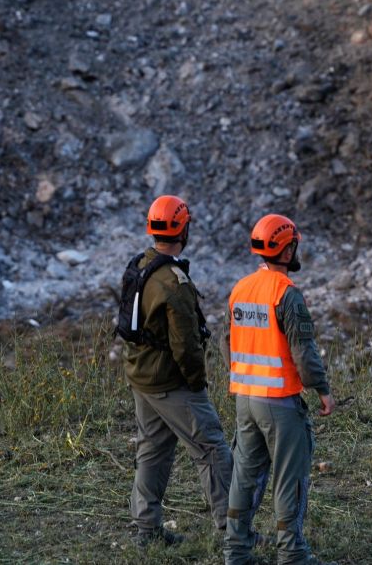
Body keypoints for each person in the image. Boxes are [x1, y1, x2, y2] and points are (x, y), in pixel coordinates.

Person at [225, 214, 336, 565]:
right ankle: (292, 554)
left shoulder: (240, 289)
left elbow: (232, 342)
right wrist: (322, 388)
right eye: (294, 244)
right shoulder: (287, 295)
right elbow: (304, 353)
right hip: (279, 405)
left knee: (245, 475)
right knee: (290, 478)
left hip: (245, 399)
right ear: (287, 250)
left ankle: (236, 551)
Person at [123, 195, 232, 547]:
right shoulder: (174, 281)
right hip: (170, 382)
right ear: (183, 229)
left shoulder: (141, 264)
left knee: (152, 450)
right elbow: (186, 345)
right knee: (212, 448)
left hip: (142, 376)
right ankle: (235, 533)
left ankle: (147, 532)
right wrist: (198, 383)